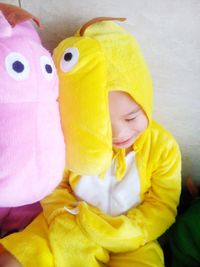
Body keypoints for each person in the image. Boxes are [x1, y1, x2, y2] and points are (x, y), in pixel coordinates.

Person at [0, 17, 181, 267]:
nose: (119, 134)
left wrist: (127, 232)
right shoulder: (69, 134)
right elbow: (54, 186)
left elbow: (163, 204)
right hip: (66, 224)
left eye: (131, 117)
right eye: (103, 125)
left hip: (130, 239)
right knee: (12, 259)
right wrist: (68, 217)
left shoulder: (163, 148)